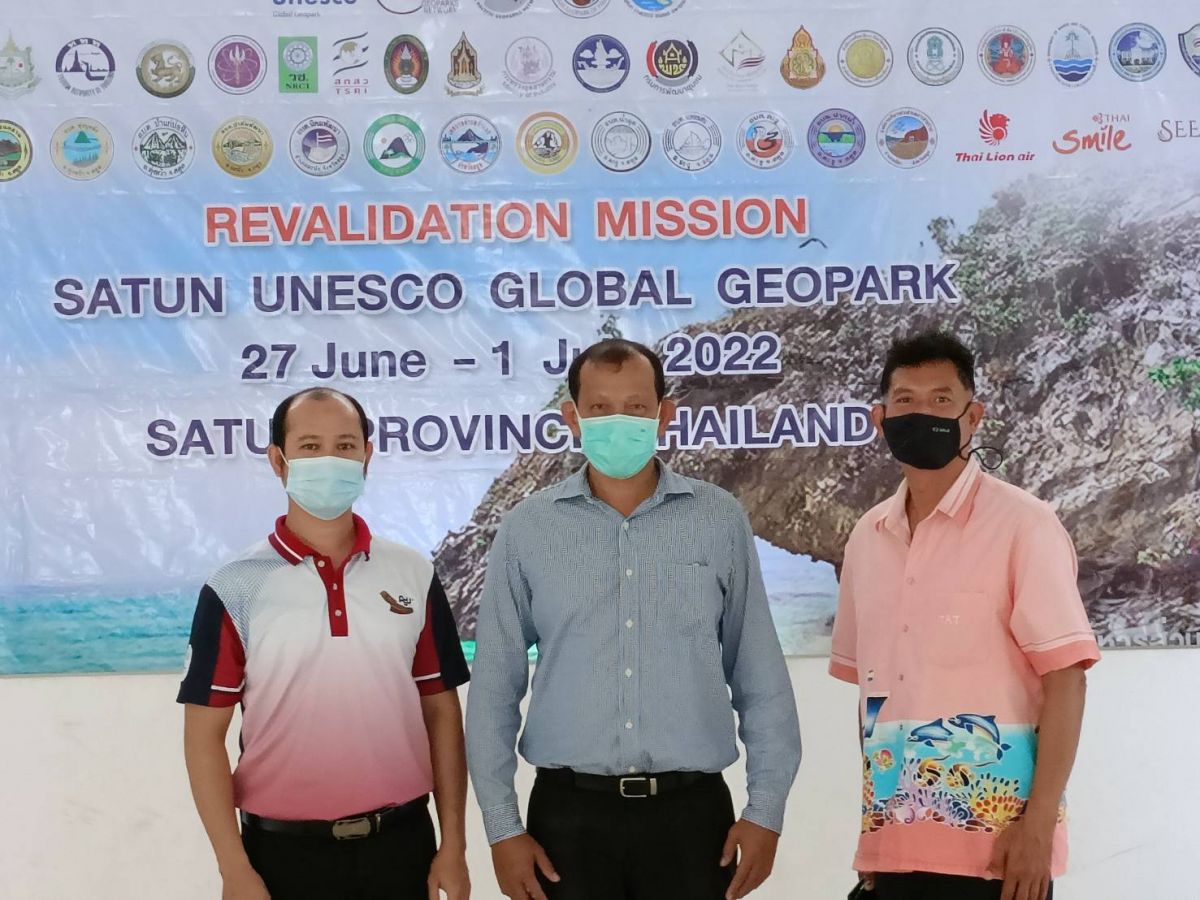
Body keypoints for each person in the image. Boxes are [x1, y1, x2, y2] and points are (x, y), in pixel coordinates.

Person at [466, 339, 802, 900]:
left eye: (636, 406)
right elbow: (494, 688)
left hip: (692, 821)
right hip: (566, 822)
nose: (617, 421)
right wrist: (502, 828)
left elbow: (759, 676)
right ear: (572, 417)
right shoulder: (528, 528)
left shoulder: (718, 519)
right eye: (599, 408)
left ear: (664, 415)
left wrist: (766, 811)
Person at [829, 332, 1100, 900]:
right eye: (905, 400)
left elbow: (1067, 680)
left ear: (972, 417)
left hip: (1000, 855)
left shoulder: (1024, 526)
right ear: (880, 419)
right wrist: (875, 831)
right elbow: (874, 697)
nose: (922, 413)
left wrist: (1038, 827)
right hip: (894, 847)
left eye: (941, 400)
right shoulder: (867, 537)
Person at [178, 387, 471, 900]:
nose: (330, 460)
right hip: (281, 856)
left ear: (367, 457)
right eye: (310, 447)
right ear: (279, 460)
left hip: (402, 847)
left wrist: (454, 844)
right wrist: (233, 867)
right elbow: (204, 737)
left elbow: (442, 712)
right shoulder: (234, 585)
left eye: (345, 445)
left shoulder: (413, 573)